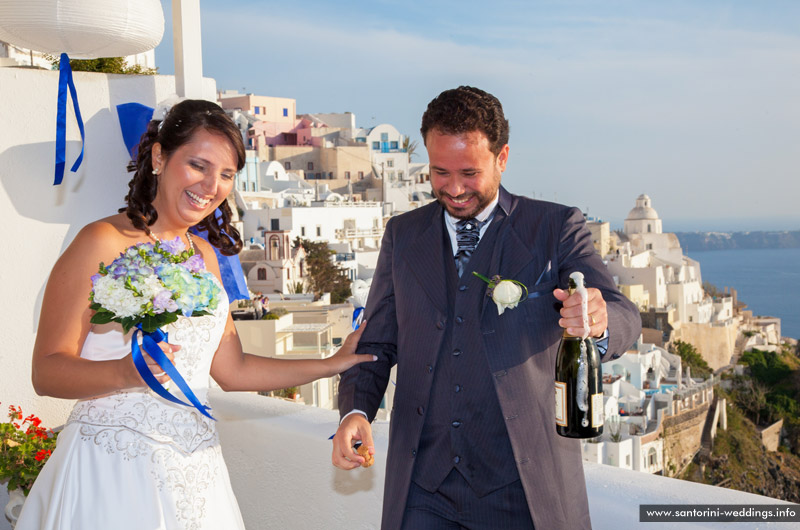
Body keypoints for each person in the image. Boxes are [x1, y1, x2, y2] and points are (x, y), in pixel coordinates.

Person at [17, 99, 374, 530]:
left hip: (196, 473)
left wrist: (330, 365)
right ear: (158, 157)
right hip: (112, 472)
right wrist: (126, 373)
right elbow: (47, 371)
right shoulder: (101, 242)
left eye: (226, 174)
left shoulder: (203, 255)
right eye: (198, 165)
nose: (211, 185)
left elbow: (233, 369)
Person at [332, 86, 641, 529]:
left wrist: (599, 318)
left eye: (469, 172)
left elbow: (617, 308)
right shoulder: (402, 235)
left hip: (523, 488)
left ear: (503, 157)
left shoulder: (554, 227)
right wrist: (355, 411)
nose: (454, 189)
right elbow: (377, 341)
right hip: (424, 487)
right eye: (440, 172)